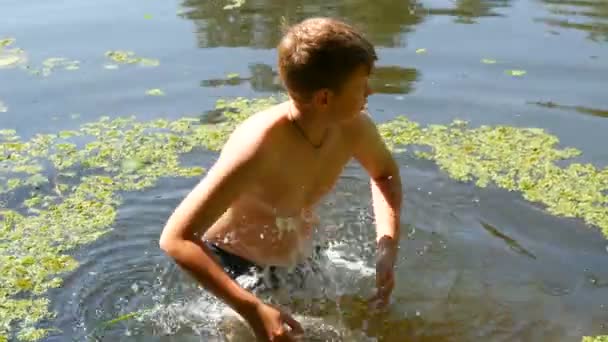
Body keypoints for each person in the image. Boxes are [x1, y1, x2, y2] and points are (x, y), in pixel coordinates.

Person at [159, 17, 403, 342]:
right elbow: (176, 239)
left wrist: (386, 244)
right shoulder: (259, 146)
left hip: (303, 258)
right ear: (325, 98)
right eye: (362, 85)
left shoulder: (354, 127)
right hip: (237, 268)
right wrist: (252, 309)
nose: (370, 91)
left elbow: (384, 174)